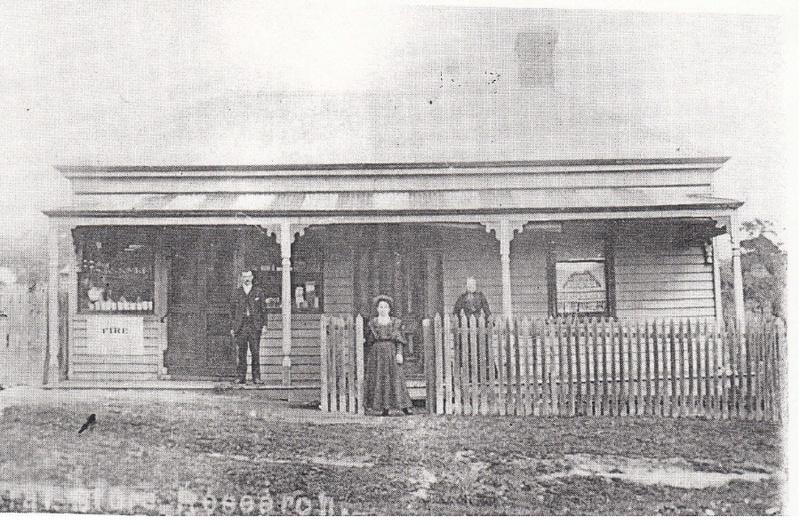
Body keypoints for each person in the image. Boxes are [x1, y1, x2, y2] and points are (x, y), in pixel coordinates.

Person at [365, 295, 412, 416]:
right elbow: (369, 341)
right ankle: (382, 408)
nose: (383, 309)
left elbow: (399, 340)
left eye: (385, 307)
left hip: (391, 351)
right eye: (380, 307)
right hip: (377, 354)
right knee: (379, 379)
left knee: (396, 378)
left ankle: (403, 406)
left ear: (389, 309)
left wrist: (399, 353)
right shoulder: (372, 323)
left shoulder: (395, 323)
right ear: (377, 309)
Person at [230, 270, 268, 384]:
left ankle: (256, 377)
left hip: (254, 326)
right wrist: (233, 327)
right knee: (242, 352)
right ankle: (241, 377)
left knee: (255, 351)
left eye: (248, 276)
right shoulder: (236, 293)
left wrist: (264, 325)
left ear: (252, 277)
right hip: (241, 326)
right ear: (241, 278)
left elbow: (263, 310)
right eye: (244, 276)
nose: (247, 279)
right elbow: (232, 312)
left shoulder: (258, 292)